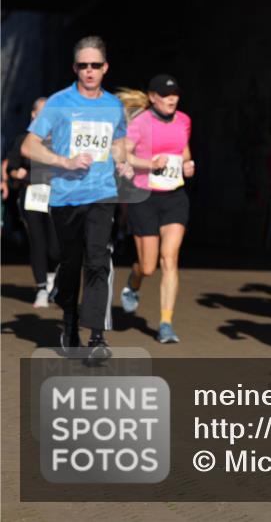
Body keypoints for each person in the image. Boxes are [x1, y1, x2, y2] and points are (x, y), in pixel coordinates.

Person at [20, 36, 132, 357]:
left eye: (95, 65)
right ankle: (69, 321)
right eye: (83, 65)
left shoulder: (113, 106)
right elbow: (30, 146)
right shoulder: (58, 103)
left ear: (105, 68)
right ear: (75, 68)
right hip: (66, 197)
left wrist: (122, 161)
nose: (89, 71)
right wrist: (64, 161)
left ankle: (97, 336)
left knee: (98, 259)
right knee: (71, 263)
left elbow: (119, 142)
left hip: (101, 194)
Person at [117, 75, 195, 343]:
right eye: (165, 94)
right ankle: (134, 281)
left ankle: (166, 323)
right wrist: (150, 164)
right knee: (149, 266)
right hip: (145, 197)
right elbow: (124, 154)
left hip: (174, 196)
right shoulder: (140, 123)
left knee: (170, 258)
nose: (171, 99)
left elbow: (183, 151)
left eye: (175, 94)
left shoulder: (184, 120)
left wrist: (188, 164)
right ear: (152, 97)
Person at [5, 97, 60, 307]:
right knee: (37, 240)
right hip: (32, 194)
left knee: (56, 245)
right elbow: (12, 166)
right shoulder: (23, 140)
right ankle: (41, 288)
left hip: (56, 195)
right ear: (34, 115)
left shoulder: (60, 140)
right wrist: (15, 172)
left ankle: (53, 276)